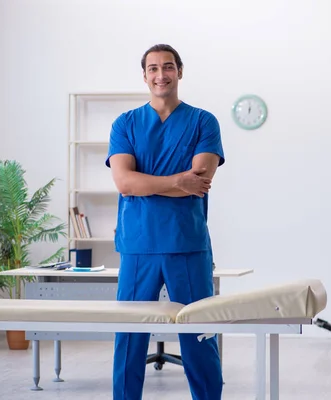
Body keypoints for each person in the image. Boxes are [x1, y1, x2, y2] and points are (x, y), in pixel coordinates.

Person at [105, 44, 225, 400]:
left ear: (179, 72)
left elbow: (199, 183)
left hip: (186, 243)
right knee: (129, 336)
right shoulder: (125, 123)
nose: (161, 75)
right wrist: (177, 181)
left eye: (168, 67)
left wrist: (148, 184)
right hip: (138, 245)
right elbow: (124, 182)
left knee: (199, 334)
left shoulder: (203, 121)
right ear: (144, 75)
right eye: (153, 68)